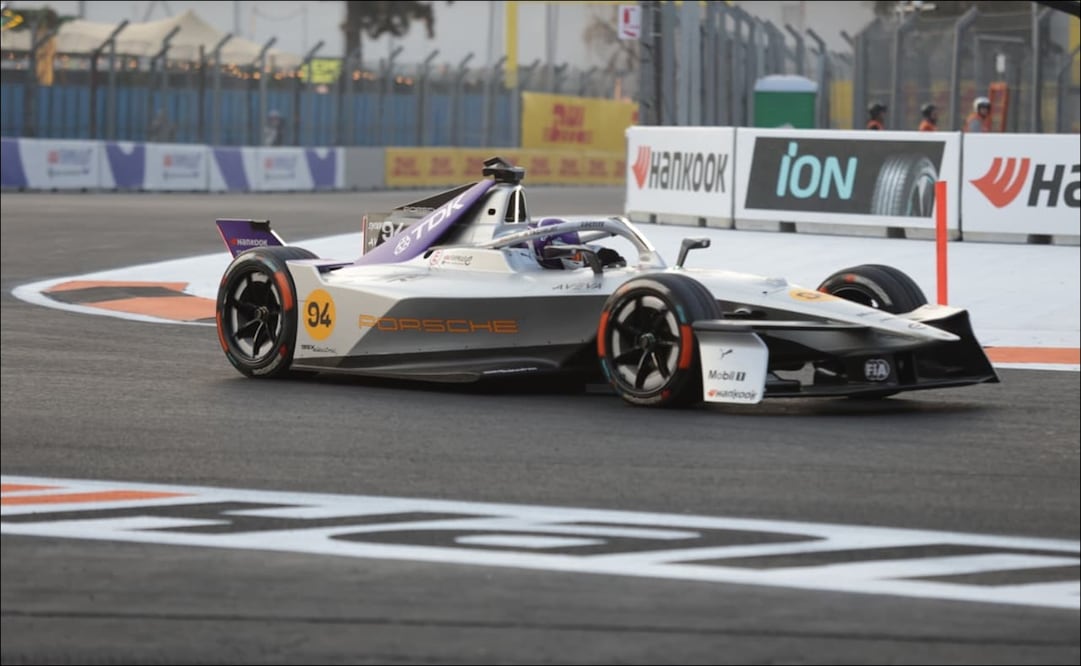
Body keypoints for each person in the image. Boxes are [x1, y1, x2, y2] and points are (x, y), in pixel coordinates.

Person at [530, 218, 624, 270]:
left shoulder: (589, 252)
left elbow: (609, 256)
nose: (577, 257)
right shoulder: (525, 262)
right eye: (571, 254)